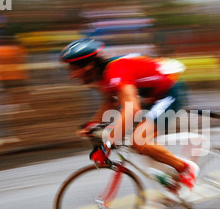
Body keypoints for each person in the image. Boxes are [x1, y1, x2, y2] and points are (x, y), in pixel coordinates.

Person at [60, 38, 198, 191]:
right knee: (134, 141)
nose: (71, 75)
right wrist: (92, 125)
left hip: (169, 92)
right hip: (151, 96)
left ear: (89, 66)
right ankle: (171, 179)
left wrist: (108, 143)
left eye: (73, 69)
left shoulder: (115, 70)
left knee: (138, 140)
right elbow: (110, 102)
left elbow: (132, 108)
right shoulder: (100, 76)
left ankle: (185, 168)